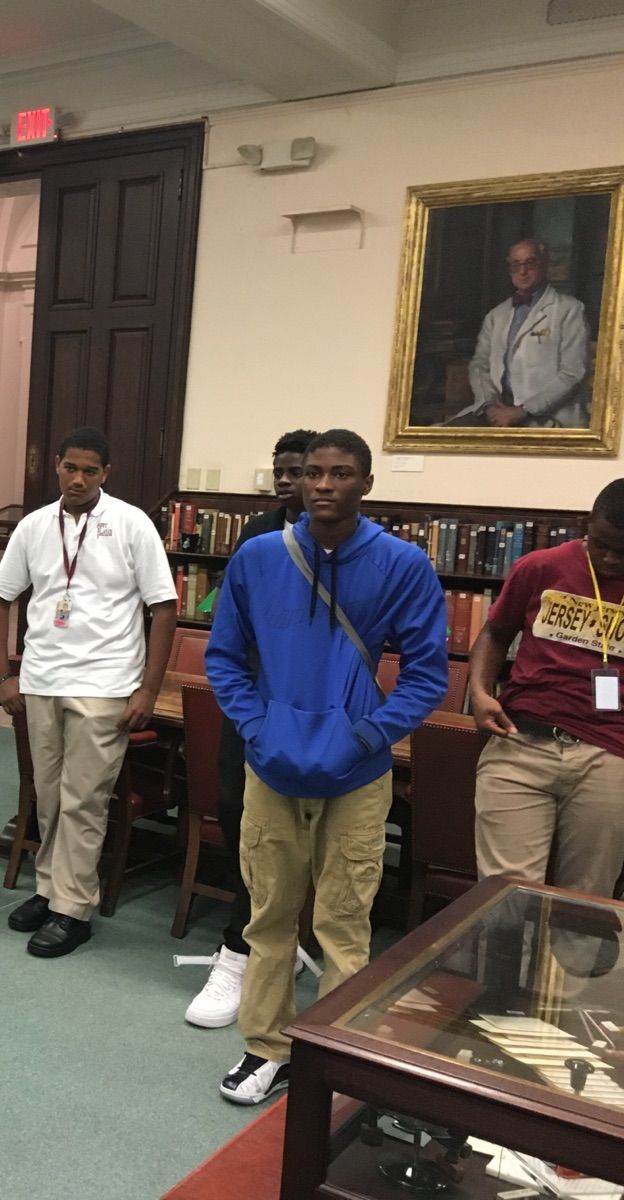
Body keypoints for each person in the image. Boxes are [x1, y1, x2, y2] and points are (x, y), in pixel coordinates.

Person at [206, 428, 447, 1105]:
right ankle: (267, 1047)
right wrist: (256, 726)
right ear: (297, 479)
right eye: (313, 472)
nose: (323, 485)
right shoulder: (257, 558)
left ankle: (333, 1060)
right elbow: (224, 657)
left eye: (341, 473)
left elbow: (427, 676)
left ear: (366, 484)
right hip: (272, 766)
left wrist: (369, 734)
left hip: (356, 771)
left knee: (343, 922)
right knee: (269, 916)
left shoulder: (403, 565)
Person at [0, 427, 177, 959]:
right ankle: (49, 891)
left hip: (107, 683)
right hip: (43, 678)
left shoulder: (131, 523)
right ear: (56, 466)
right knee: (47, 796)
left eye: (90, 471)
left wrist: (148, 688)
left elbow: (164, 607)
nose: (78, 478)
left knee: (84, 800)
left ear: (106, 474)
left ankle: (73, 909)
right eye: (70, 468)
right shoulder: (33, 526)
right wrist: (4, 676)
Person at [182, 428, 318, 1028]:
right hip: (251, 703)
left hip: (313, 707)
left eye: (300, 471)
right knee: (239, 816)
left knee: (291, 830)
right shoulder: (259, 533)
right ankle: (246, 939)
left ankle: (252, 946)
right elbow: (231, 617)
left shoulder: (350, 541)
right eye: (280, 470)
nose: (288, 481)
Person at [470, 479, 624, 898]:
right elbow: (495, 632)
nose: (610, 558)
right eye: (600, 544)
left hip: (609, 752)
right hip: (521, 740)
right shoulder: (541, 566)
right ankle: (508, 967)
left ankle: (570, 968)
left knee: (588, 899)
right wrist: (481, 693)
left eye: (623, 551)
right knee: (505, 896)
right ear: (584, 526)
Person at [458, 238, 591, 429]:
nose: (522, 271)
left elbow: (573, 372)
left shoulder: (570, 309)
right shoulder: (496, 315)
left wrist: (522, 410)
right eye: (516, 265)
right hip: (499, 416)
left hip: (553, 421)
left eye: (530, 263)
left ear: (544, 264)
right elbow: (480, 364)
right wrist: (489, 405)